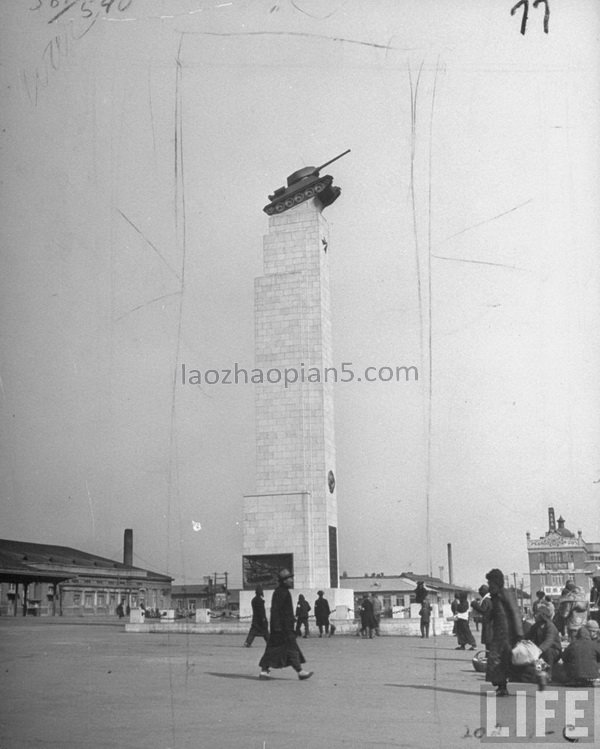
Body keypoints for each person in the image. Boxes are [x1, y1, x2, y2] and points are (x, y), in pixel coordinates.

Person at [258, 569, 313, 681]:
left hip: (284, 627)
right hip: (282, 628)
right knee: (284, 648)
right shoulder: (280, 592)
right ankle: (299, 671)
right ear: (284, 581)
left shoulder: (283, 592)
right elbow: (275, 610)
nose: (292, 580)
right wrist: (277, 626)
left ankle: (265, 670)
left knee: (281, 648)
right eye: (289, 579)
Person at [485, 568, 524, 697]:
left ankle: (542, 674)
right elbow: (492, 615)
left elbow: (515, 612)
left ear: (496, 582)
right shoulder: (494, 597)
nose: (489, 585)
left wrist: (519, 634)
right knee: (498, 660)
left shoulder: (505, 593)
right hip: (498, 634)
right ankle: (502, 686)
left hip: (508, 634)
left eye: (490, 583)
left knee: (510, 659)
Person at [526, 606, 562, 684]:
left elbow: (549, 641)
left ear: (543, 616)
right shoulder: (535, 626)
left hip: (554, 650)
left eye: (537, 614)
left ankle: (549, 675)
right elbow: (528, 636)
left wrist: (539, 650)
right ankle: (538, 675)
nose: (535, 616)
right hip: (541, 650)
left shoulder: (550, 626)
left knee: (548, 652)